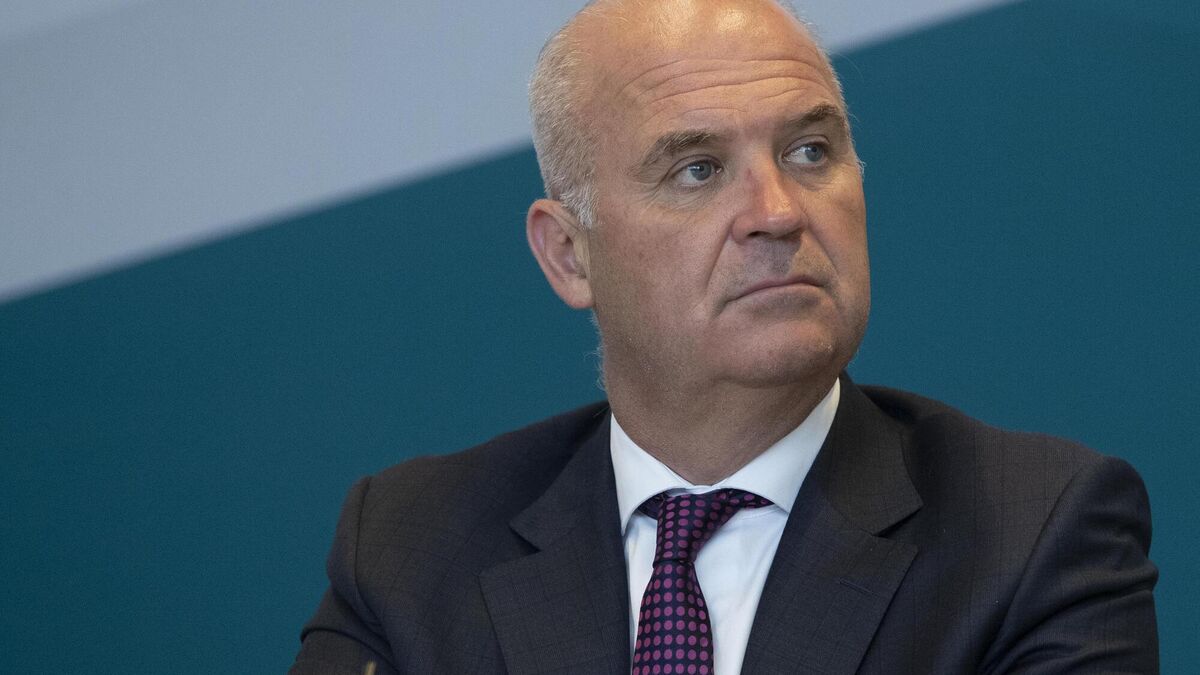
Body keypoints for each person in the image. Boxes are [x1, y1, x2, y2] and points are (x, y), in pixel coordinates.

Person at [290, 0, 1158, 672]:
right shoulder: (409, 550)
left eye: (810, 151)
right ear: (569, 255)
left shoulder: (1032, 534)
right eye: (697, 169)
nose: (777, 213)